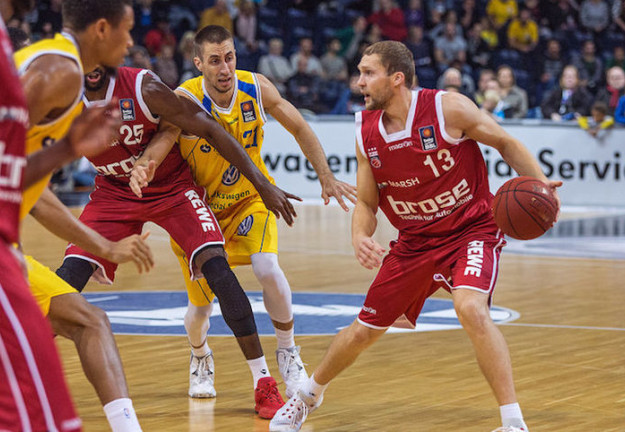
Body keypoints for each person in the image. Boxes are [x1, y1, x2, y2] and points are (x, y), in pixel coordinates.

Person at [269, 40, 562, 432]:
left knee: (471, 308)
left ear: (397, 78)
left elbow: (506, 143)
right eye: (359, 73)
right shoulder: (365, 133)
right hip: (414, 244)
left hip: (470, 229)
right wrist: (359, 236)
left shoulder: (447, 108)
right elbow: (368, 204)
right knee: (363, 331)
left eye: (368, 73)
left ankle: (513, 423)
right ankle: (308, 395)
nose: (359, 82)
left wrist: (540, 185)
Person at [56, 62, 302, 419]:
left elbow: (212, 131)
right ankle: (11, 373)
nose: (91, 66)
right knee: (66, 280)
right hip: (113, 194)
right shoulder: (60, 97)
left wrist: (263, 185)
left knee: (218, 269)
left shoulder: (145, 88)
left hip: (172, 188)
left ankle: (263, 381)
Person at [156, 25, 356, 402]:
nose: (225, 68)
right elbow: (162, 144)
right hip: (200, 213)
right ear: (198, 63)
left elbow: (299, 126)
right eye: (214, 61)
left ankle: (288, 351)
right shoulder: (183, 100)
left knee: (268, 268)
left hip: (250, 199)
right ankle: (200, 356)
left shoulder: (257, 87)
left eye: (229, 57)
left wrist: (326, 176)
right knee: (200, 309)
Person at [0, 0, 126, 430]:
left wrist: (65, 150)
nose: (131, 41)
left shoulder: (1, 37)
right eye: (126, 30)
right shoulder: (52, 64)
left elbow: (3, 172)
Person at [14, 0, 155, 430]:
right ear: (101, 28)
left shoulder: (57, 66)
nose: (131, 42)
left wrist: (104, 246)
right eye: (127, 30)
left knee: (89, 320)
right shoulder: (60, 72)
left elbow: (32, 191)